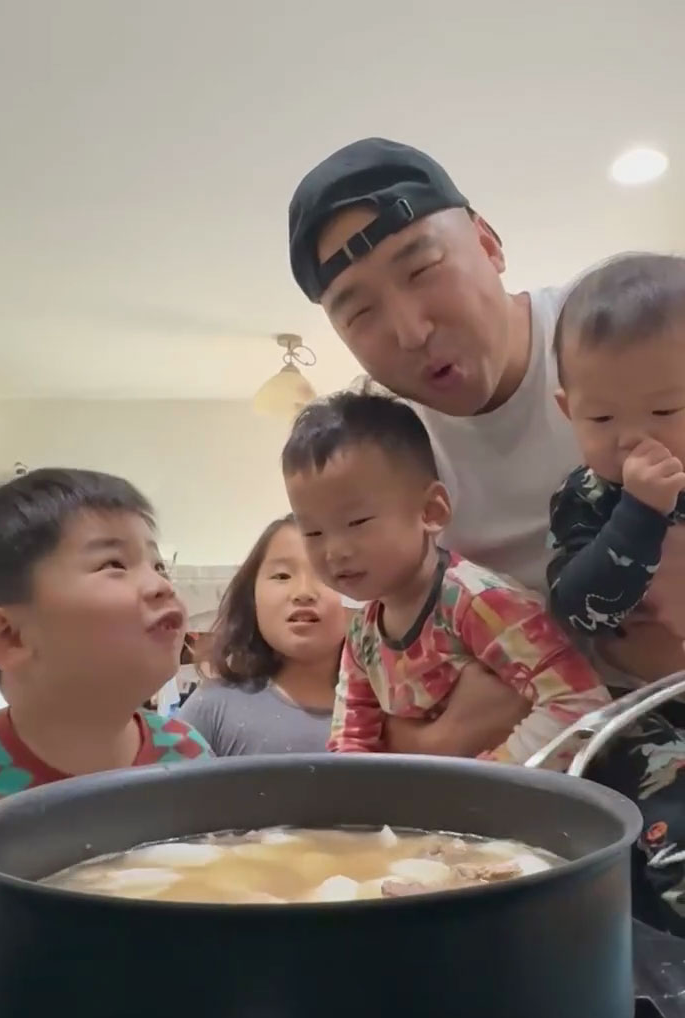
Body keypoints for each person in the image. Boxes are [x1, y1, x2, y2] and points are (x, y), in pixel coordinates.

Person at [287, 135, 580, 756]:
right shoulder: (382, 452)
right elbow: (379, 707)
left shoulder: (619, 341)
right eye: (359, 312)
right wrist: (447, 739)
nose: (411, 330)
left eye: (423, 270)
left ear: (488, 242)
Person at [282, 390, 609, 764]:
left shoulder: (478, 602)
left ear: (431, 511)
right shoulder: (362, 634)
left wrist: (483, 779)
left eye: (357, 522)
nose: (334, 550)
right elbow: (350, 742)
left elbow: (579, 703)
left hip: (512, 804)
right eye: (313, 533)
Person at [546, 253, 685, 931]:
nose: (633, 437)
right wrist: (641, 514)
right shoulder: (590, 497)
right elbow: (580, 607)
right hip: (641, 718)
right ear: (566, 410)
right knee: (655, 833)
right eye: (600, 420)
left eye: (665, 409)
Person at [0, 468, 212, 816]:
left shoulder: (188, 753)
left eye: (159, 567)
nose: (162, 586)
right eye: (113, 564)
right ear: (10, 636)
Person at [180, 515, 346, 755]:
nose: (303, 593)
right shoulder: (213, 707)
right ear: (251, 597)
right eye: (281, 576)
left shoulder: (394, 711)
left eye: (326, 574)